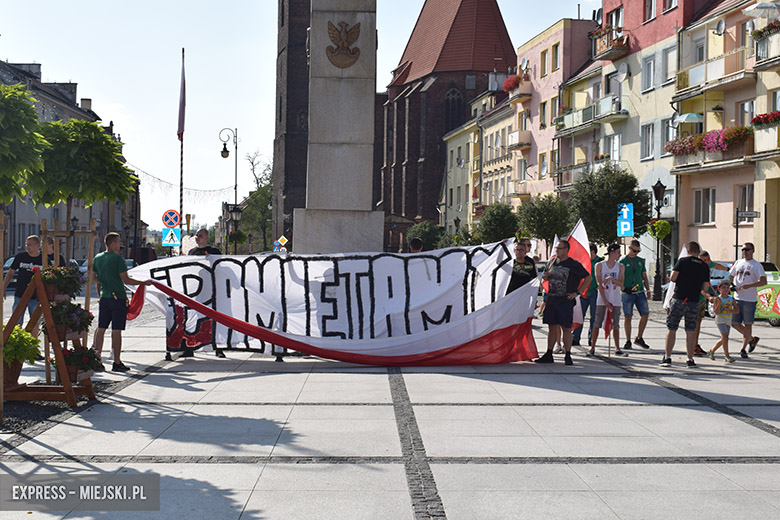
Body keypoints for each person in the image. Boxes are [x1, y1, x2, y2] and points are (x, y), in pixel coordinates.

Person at [92, 232, 152, 372]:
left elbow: (94, 278)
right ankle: (117, 362)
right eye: (119, 242)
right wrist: (143, 282)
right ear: (113, 244)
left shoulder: (98, 258)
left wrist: (101, 291)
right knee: (116, 330)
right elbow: (126, 279)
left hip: (105, 297)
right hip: (118, 298)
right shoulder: (117, 259)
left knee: (101, 328)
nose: (121, 245)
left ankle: (97, 358)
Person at [535, 239, 591, 365]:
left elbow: (588, 278)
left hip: (565, 300)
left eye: (559, 248)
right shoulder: (553, 262)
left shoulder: (573, 264)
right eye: (556, 248)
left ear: (566, 250)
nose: (557, 251)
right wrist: (546, 277)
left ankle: (568, 354)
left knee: (566, 328)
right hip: (552, 299)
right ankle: (549, 353)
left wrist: (577, 293)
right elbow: (545, 275)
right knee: (552, 327)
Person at [660, 241, 710, 368]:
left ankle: (668, 357)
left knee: (672, 328)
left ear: (687, 251)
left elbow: (673, 278)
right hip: (694, 301)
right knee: (691, 330)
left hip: (679, 298)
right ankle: (690, 359)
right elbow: (704, 287)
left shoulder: (682, 261)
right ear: (698, 252)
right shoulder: (704, 266)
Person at [186, 228, 226, 358]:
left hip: (212, 290)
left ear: (207, 237)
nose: (198, 238)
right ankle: (191, 346)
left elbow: (221, 268)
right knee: (194, 318)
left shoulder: (214, 251)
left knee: (215, 319)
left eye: (200, 236)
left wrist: (212, 260)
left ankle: (218, 347)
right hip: (197, 290)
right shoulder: (192, 252)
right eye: (197, 236)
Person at [729, 242, 766, 358]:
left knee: (748, 324)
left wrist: (750, 285)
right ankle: (751, 339)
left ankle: (743, 349)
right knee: (734, 323)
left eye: (747, 249)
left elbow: (764, 281)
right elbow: (731, 275)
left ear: (753, 251)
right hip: (737, 298)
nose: (745, 252)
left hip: (749, 299)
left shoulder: (756, 265)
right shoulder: (738, 263)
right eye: (743, 250)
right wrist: (732, 285)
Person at [591, 244, 625, 356]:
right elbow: (599, 284)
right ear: (612, 253)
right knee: (597, 322)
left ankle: (617, 348)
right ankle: (592, 347)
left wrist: (612, 279)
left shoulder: (620, 266)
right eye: (618, 252)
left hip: (615, 299)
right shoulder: (600, 265)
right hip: (602, 299)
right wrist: (605, 300)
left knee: (615, 323)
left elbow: (622, 284)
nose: (620, 255)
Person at [692, 251, 729, 356]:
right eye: (704, 260)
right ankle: (693, 346)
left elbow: (716, 265)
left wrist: (728, 269)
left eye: (708, 260)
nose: (707, 262)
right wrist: (709, 296)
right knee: (694, 323)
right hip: (696, 298)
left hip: (702, 299)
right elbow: (699, 287)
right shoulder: (697, 269)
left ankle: (695, 344)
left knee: (698, 321)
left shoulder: (708, 266)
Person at [3, 235, 43, 329]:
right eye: (26, 244)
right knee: (16, 322)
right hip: (20, 294)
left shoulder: (43, 260)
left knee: (35, 324)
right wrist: (3, 288)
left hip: (35, 296)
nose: (27, 247)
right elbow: (10, 273)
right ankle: (18, 342)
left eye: (30, 244)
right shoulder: (20, 257)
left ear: (37, 245)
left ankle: (33, 343)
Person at [620, 239, 651, 350]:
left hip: (640, 291)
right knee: (628, 316)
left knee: (645, 313)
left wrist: (648, 290)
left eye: (638, 251)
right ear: (629, 248)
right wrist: (623, 288)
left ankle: (639, 337)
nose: (636, 253)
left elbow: (644, 276)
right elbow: (619, 278)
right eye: (634, 251)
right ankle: (628, 340)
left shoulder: (640, 261)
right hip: (627, 293)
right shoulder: (622, 261)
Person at [573, 243, 601, 347]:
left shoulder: (599, 262)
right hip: (583, 292)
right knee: (579, 316)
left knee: (594, 317)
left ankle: (591, 338)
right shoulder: (583, 261)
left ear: (592, 251)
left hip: (594, 292)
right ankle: (575, 337)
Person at [709, 280, 736, 364]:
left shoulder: (731, 298)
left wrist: (730, 310)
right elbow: (716, 312)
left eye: (727, 288)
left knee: (724, 338)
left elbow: (737, 310)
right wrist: (718, 304)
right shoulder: (718, 299)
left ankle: (712, 351)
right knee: (725, 336)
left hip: (728, 319)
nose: (726, 289)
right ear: (719, 289)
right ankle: (727, 356)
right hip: (720, 319)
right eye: (723, 288)